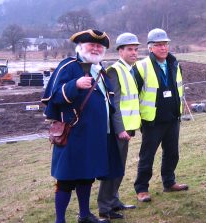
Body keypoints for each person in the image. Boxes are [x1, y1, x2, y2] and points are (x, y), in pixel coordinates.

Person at [42, 29, 121, 223]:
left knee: (87, 176)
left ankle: (84, 215)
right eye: (91, 45)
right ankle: (60, 220)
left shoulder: (101, 71)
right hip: (74, 134)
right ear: (80, 47)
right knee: (66, 180)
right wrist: (75, 84)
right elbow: (53, 97)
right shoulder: (68, 66)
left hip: (95, 135)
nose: (95, 49)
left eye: (99, 46)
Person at [133, 28, 188, 202]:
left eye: (165, 44)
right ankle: (142, 189)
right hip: (152, 121)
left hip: (172, 118)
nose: (163, 48)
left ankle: (169, 183)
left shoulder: (174, 64)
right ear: (150, 48)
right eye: (158, 45)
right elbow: (133, 95)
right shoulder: (141, 66)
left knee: (172, 153)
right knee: (147, 156)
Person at [97, 32, 140, 220]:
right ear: (120, 51)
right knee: (113, 168)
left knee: (119, 168)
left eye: (136, 49)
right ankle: (105, 207)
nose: (134, 53)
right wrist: (120, 129)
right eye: (130, 49)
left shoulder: (129, 70)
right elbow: (113, 103)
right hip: (118, 131)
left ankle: (113, 201)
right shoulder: (115, 71)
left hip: (126, 128)